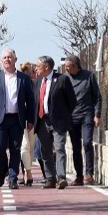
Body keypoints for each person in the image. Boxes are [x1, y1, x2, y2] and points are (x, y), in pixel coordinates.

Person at [0, 48, 35, 190]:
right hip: (0, 119)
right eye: (4, 57)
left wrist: (31, 119)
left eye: (10, 57)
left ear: (15, 59)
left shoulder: (23, 78)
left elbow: (31, 101)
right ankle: (4, 169)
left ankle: (13, 178)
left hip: (17, 119)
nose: (7, 59)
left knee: (15, 149)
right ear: (1, 60)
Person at [34, 55, 77, 190]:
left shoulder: (62, 79)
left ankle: (61, 177)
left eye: (38, 66)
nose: (36, 68)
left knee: (59, 148)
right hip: (42, 121)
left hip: (58, 121)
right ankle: (50, 178)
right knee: (45, 151)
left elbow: (72, 101)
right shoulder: (38, 80)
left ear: (46, 67)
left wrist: (63, 115)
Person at [64, 54, 102, 186]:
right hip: (72, 116)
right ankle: (79, 176)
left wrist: (97, 115)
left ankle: (89, 173)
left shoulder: (89, 76)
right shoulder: (65, 78)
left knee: (87, 142)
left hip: (87, 114)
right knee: (76, 147)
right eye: (65, 67)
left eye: (68, 67)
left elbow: (97, 97)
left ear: (76, 66)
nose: (67, 70)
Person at [19, 61, 37, 186]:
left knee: (30, 146)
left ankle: (26, 171)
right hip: (21, 118)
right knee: (24, 145)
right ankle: (28, 172)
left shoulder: (36, 83)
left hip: (33, 118)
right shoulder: (21, 83)